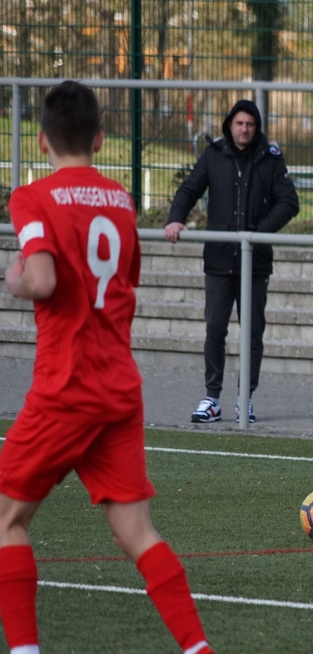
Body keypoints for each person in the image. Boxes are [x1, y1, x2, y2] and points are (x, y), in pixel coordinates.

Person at [0, 80, 213, 653]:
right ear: (98, 138)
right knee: (137, 532)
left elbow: (42, 279)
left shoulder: (32, 197)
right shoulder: (120, 200)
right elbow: (124, 282)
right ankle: (198, 648)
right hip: (118, 387)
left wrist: (15, 280)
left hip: (65, 385)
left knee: (6, 521)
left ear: (41, 141)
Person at [165, 99, 299, 424]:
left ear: (257, 127)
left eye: (250, 124)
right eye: (239, 123)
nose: (244, 130)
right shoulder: (214, 154)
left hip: (255, 264)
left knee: (252, 333)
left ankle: (244, 399)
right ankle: (212, 398)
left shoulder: (270, 159)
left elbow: (289, 202)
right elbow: (189, 189)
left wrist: (256, 234)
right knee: (214, 329)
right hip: (219, 260)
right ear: (230, 124)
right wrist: (175, 219)